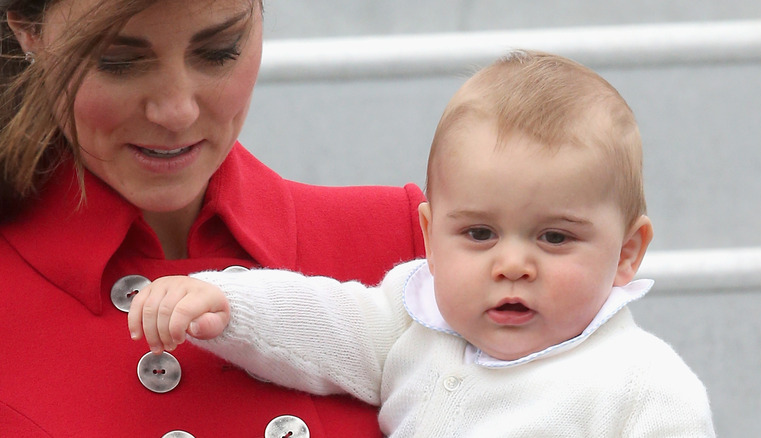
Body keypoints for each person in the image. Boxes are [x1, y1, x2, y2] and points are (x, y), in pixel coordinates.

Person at [129, 50, 716, 436]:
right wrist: (226, 304)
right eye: (479, 234)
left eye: (555, 237)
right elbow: (327, 323)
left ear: (628, 252)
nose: (512, 264)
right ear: (431, 237)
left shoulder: (644, 385)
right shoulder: (418, 321)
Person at [0, 0, 425, 436]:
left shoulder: (413, 250)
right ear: (27, 32)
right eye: (119, 62)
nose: (177, 111)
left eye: (219, 51)